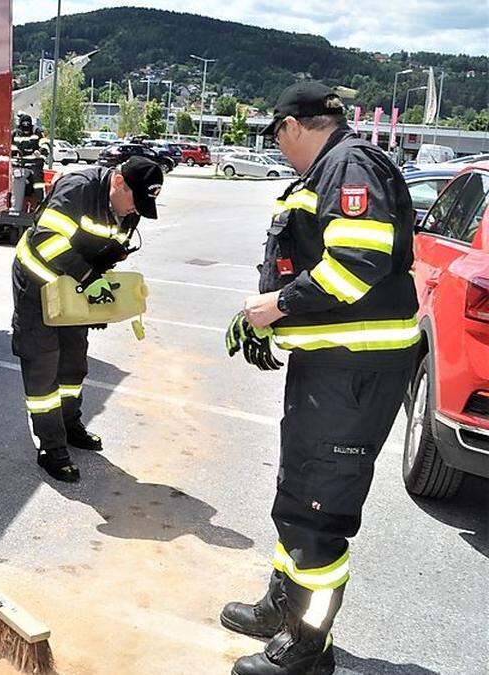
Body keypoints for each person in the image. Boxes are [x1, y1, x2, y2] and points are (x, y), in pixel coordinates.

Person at [221, 81, 420, 675]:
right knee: (297, 496)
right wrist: (275, 323)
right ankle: (284, 607)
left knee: (318, 513)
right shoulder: (331, 170)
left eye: (277, 137)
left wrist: (277, 306)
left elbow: (355, 265)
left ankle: (309, 648)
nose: (279, 149)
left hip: (353, 371)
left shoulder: (349, 165)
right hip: (330, 367)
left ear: (294, 126)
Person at [11, 157, 164, 482]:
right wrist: (88, 276)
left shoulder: (124, 206)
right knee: (43, 366)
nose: (134, 212)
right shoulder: (78, 189)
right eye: (135, 202)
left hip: (76, 287)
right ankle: (50, 449)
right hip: (39, 282)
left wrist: (101, 279)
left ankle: (70, 425)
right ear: (119, 183)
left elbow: (103, 248)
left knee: (73, 362)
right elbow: (45, 242)